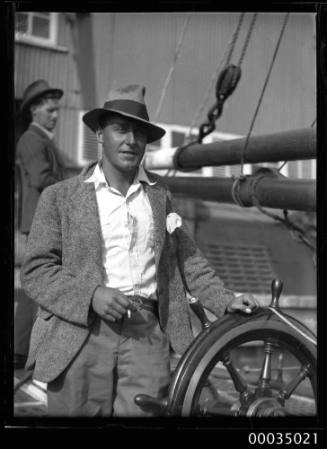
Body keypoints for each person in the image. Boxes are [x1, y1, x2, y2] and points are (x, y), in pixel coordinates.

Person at [21, 84, 259, 416]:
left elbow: (187, 259)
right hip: (79, 335)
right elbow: (36, 271)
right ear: (101, 134)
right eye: (121, 129)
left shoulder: (160, 196)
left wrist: (226, 299)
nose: (131, 140)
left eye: (139, 133)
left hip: (146, 334)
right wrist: (91, 295)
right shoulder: (60, 197)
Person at [15, 80, 64, 370]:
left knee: (37, 287)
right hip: (41, 224)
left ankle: (24, 350)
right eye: (50, 110)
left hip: (40, 223)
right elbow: (41, 179)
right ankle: (23, 350)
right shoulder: (33, 140)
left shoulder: (40, 139)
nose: (56, 115)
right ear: (35, 110)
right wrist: (76, 188)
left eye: (57, 110)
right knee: (40, 288)